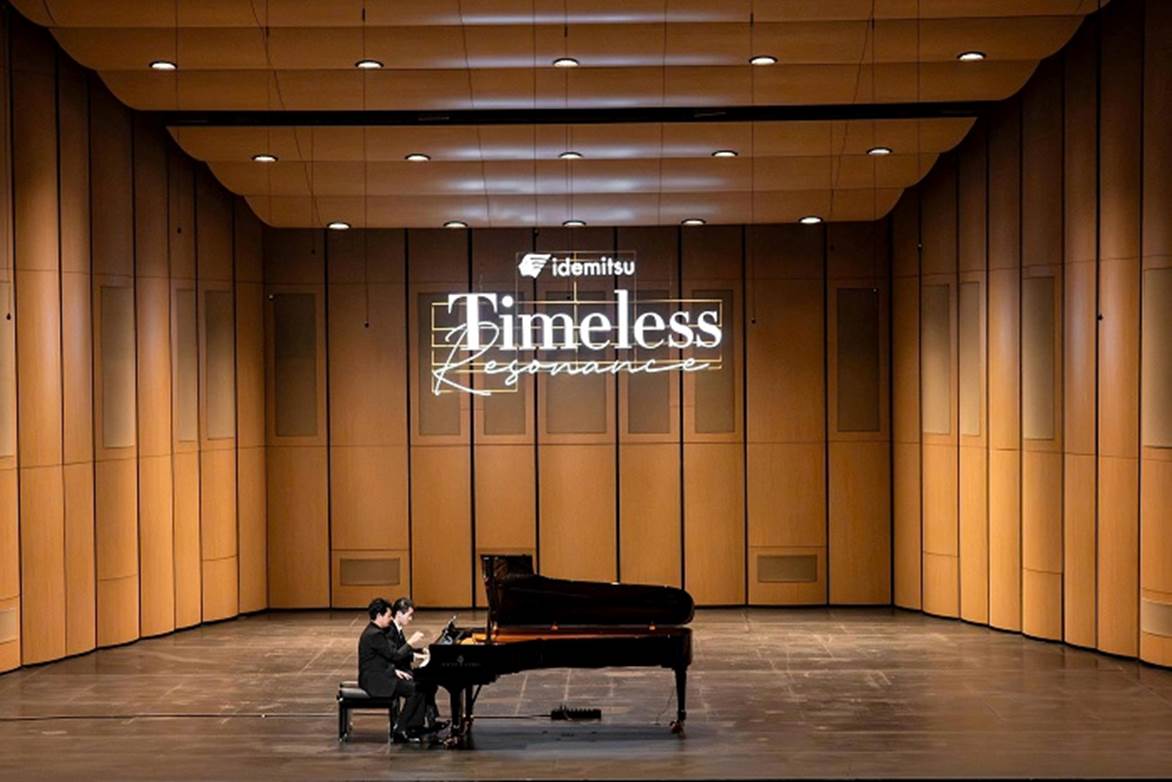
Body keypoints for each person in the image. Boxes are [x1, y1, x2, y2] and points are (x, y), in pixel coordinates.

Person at [357, 597, 441, 742]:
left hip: (382, 674)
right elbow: (394, 655)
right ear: (379, 616)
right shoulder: (375, 634)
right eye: (388, 616)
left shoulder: (376, 631)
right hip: (376, 681)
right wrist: (410, 642)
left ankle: (413, 726)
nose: (390, 619)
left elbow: (381, 658)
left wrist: (393, 670)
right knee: (415, 689)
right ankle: (401, 729)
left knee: (418, 687)